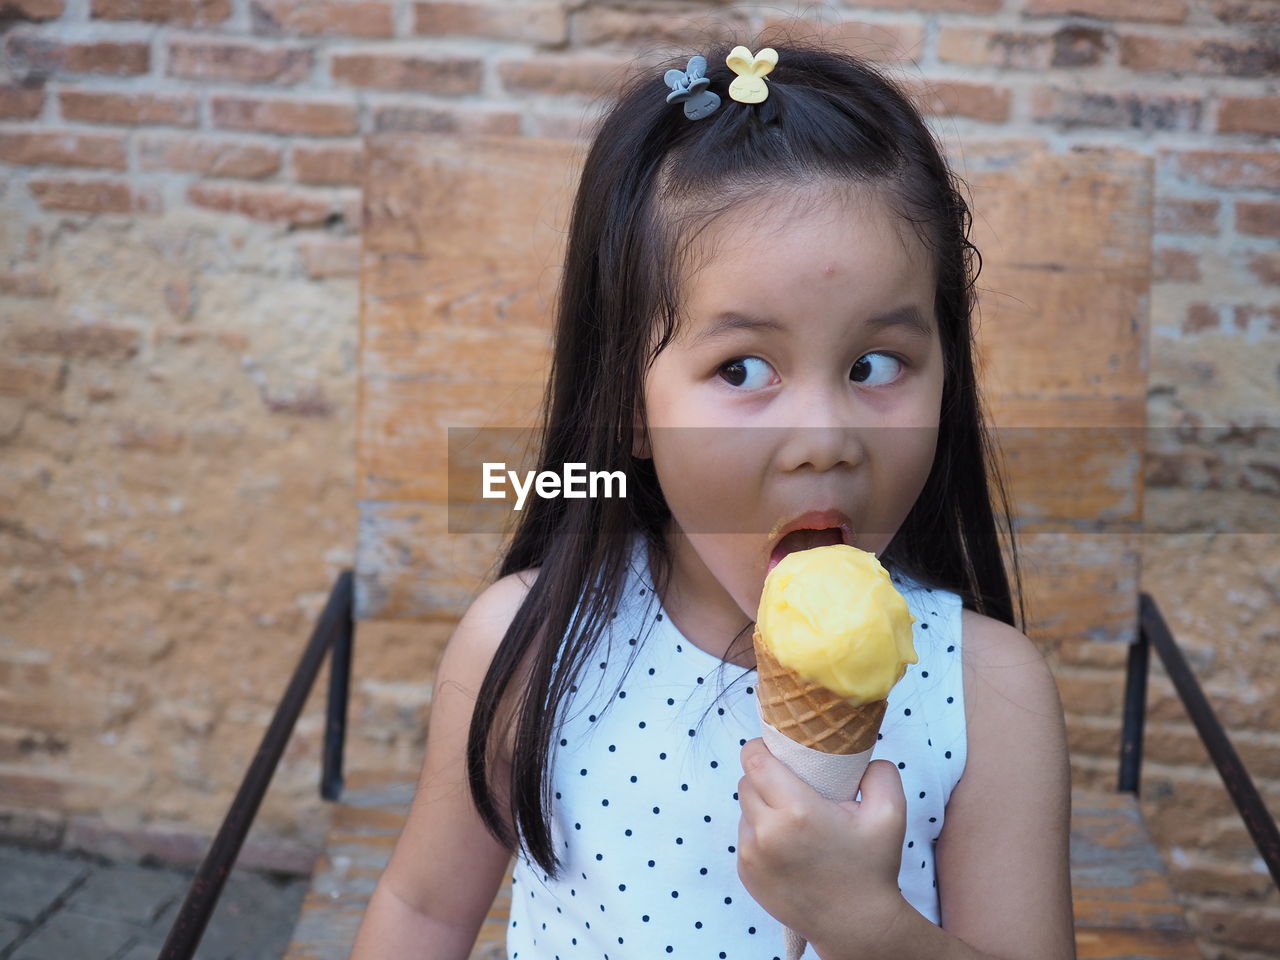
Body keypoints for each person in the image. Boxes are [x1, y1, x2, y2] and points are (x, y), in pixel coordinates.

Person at [349, 37, 1076, 960]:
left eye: (875, 364)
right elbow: (422, 912)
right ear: (630, 408)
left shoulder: (985, 692)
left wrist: (868, 925)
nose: (825, 439)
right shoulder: (528, 646)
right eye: (742, 368)